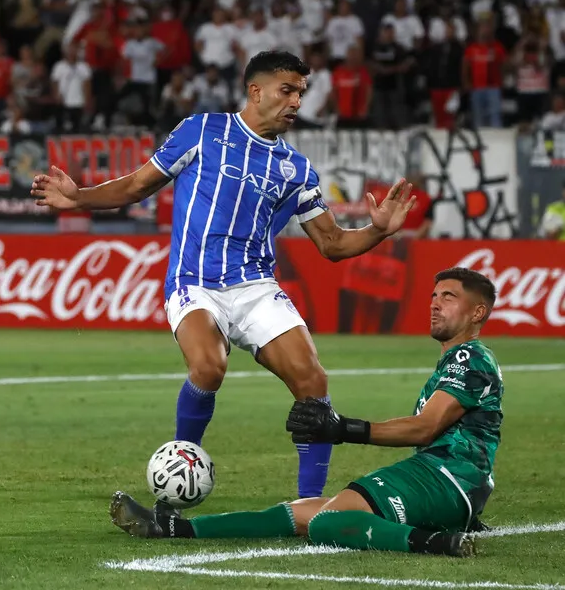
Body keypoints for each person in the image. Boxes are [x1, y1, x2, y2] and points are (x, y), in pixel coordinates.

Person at [31, 50, 416, 506]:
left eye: (300, 93)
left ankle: (310, 505)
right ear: (256, 91)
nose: (295, 102)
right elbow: (137, 185)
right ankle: (177, 474)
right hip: (194, 282)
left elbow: (332, 244)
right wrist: (79, 198)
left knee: (313, 382)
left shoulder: (296, 169)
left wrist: (377, 230)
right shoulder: (203, 130)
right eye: (287, 90)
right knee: (209, 366)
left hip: (255, 287)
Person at [110, 267, 501, 558]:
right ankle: (177, 528)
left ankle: (434, 542)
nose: (435, 303)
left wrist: (342, 428)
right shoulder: (458, 360)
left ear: (477, 312)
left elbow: (424, 428)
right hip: (449, 483)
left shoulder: (468, 356)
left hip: (447, 477)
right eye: (433, 295)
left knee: (326, 523)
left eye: (448, 297)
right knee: (303, 512)